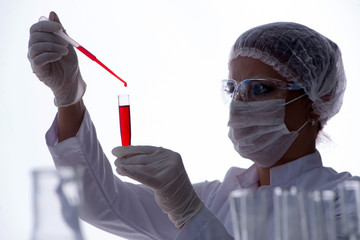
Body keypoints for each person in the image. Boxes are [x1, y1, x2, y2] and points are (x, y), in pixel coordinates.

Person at [28, 11, 359, 240]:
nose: (240, 104)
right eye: (234, 89)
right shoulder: (219, 196)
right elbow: (104, 205)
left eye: (260, 88)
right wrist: (68, 98)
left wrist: (189, 214)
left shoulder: (346, 201)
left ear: (317, 102)